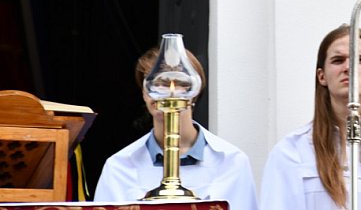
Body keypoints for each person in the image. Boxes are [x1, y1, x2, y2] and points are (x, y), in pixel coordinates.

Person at [94, 46, 258, 209]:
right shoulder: (119, 166)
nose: (164, 92)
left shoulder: (232, 162)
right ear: (144, 93)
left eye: (176, 83)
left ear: (194, 90)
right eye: (154, 83)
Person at [259, 25, 361, 209]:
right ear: (321, 76)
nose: (348, 67)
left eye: (359, 59)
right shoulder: (291, 151)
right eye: (338, 60)